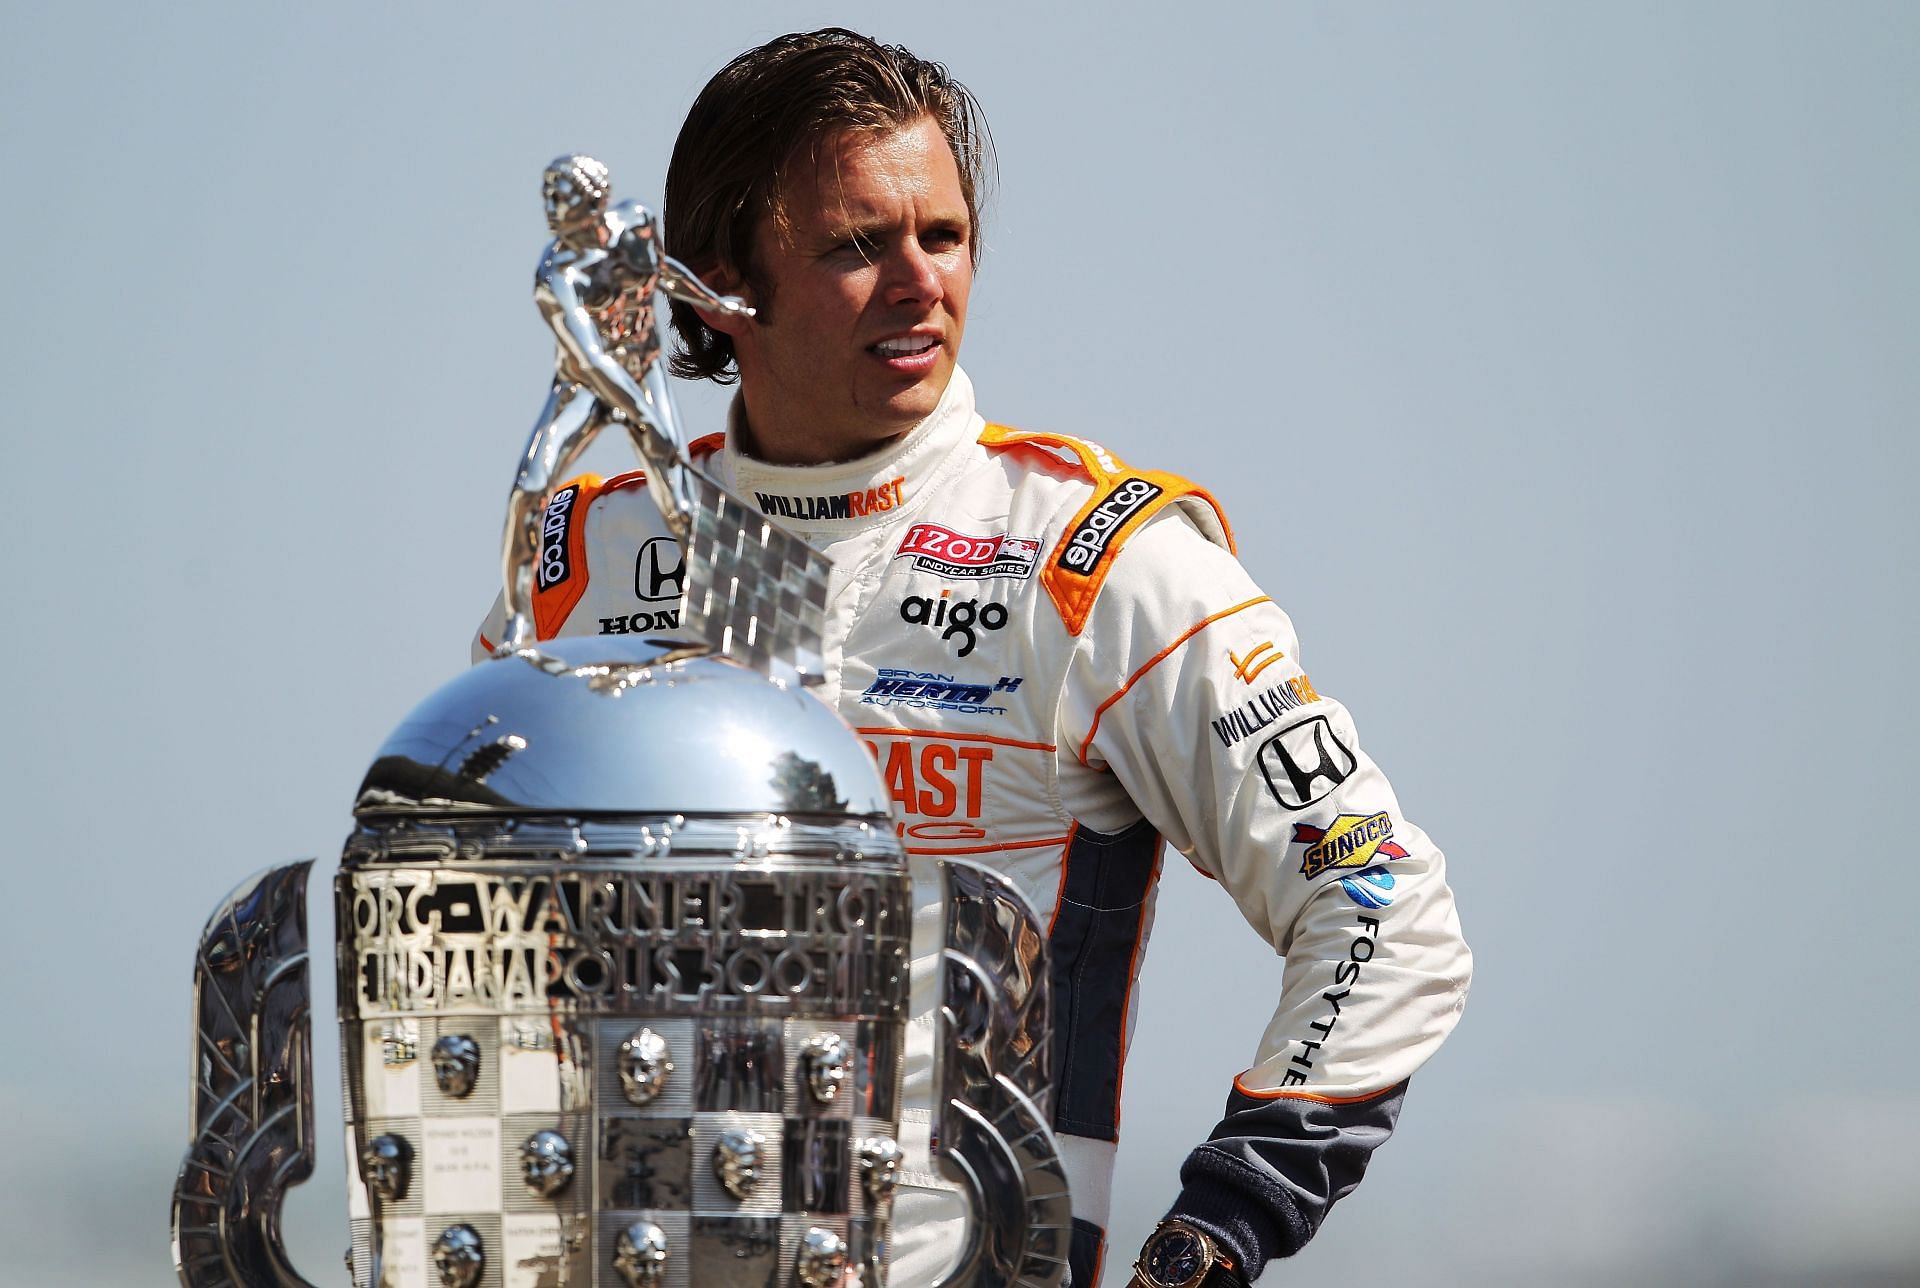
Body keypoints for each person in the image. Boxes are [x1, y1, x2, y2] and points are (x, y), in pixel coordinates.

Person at [472, 28, 1470, 1287]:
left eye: (941, 237)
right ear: (721, 278)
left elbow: (1385, 906)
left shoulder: (1093, 557)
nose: (917, 282)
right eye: (855, 244)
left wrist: (1222, 1225)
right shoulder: (591, 544)